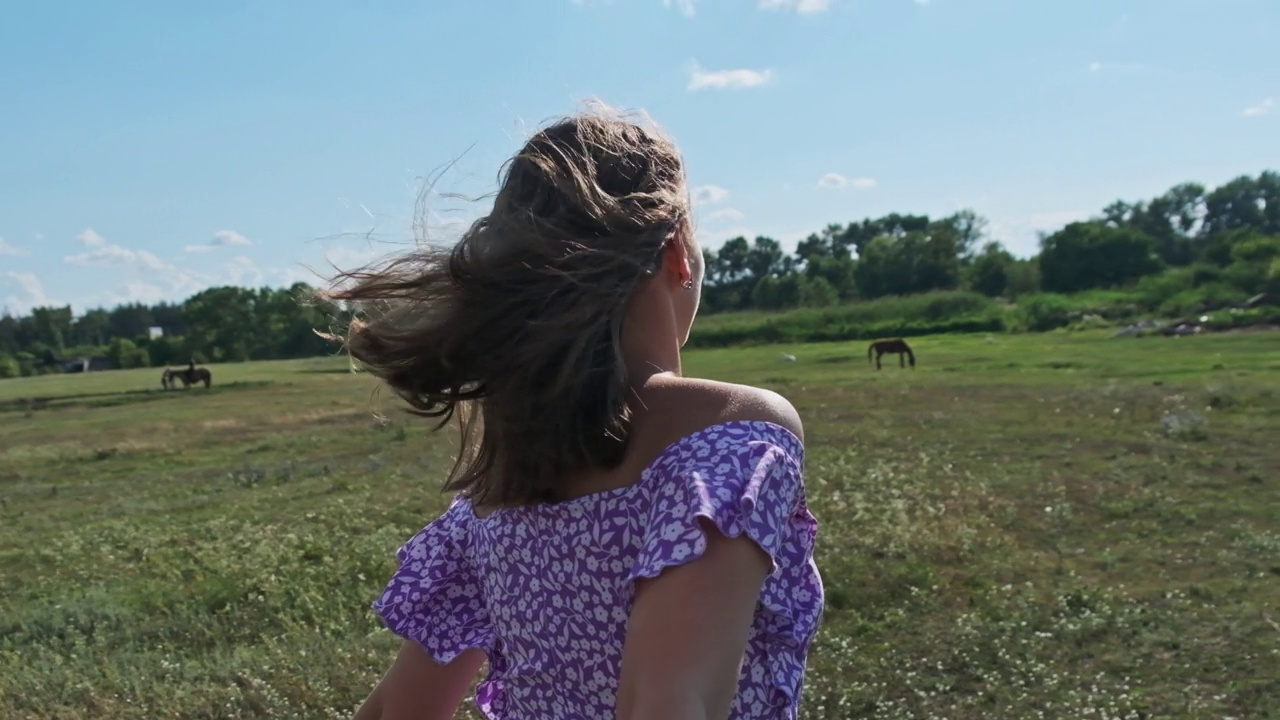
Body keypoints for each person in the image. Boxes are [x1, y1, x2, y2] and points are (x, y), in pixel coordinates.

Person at [325, 103, 823, 720]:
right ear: (678, 251)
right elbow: (671, 705)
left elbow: (395, 712)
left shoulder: (493, 496)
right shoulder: (731, 441)